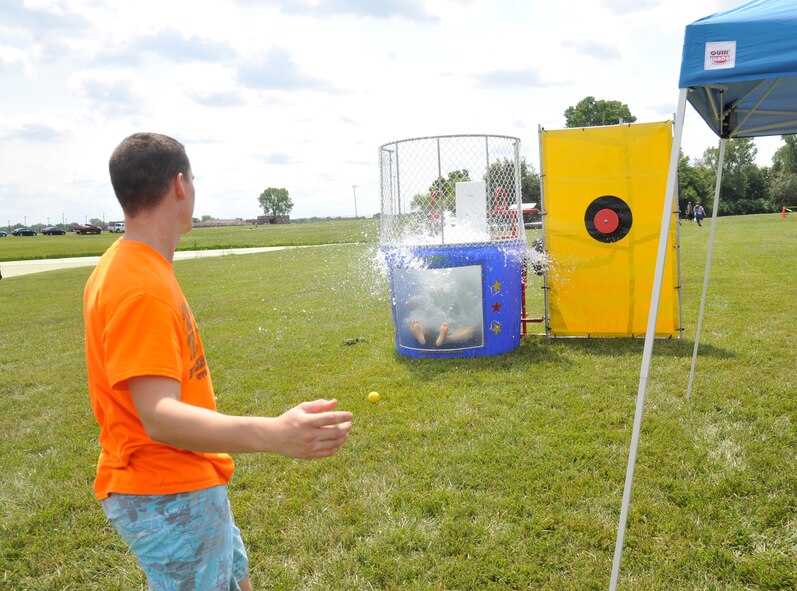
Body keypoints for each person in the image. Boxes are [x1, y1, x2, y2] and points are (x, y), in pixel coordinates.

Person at [84, 132, 353, 591]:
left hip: (188, 481)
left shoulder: (133, 265)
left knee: (235, 576)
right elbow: (159, 416)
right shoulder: (140, 286)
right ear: (180, 186)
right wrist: (275, 434)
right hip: (167, 493)